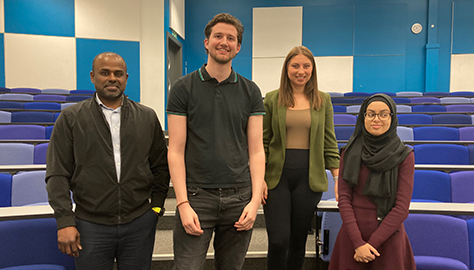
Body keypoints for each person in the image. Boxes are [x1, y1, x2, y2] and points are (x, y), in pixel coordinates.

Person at [46, 52, 170, 270]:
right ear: (93, 77)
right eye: (105, 73)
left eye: (118, 73)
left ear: (126, 78)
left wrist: (157, 208)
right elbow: (57, 173)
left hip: (139, 223)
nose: (112, 78)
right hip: (90, 224)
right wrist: (64, 221)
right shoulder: (71, 118)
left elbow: (160, 166)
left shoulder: (147, 117)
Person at [166, 13, 265, 270]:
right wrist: (183, 203)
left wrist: (254, 202)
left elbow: (256, 151)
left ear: (238, 47)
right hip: (197, 197)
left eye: (231, 38)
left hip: (239, 198)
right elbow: (175, 151)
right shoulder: (182, 88)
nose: (224, 42)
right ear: (206, 42)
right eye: (218, 36)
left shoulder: (251, 91)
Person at [262, 46, 340, 270]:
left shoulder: (322, 100)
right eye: (295, 65)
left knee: (297, 242)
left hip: (308, 180)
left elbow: (329, 141)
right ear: (286, 68)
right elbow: (264, 142)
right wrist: (259, 179)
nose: (301, 70)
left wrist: (337, 178)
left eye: (306, 66)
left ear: (312, 69)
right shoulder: (272, 98)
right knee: (278, 241)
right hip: (276, 178)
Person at [328, 94, 416, 269]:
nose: (377, 119)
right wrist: (358, 243)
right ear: (363, 117)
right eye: (371, 114)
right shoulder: (349, 152)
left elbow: (401, 208)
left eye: (384, 114)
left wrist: (372, 244)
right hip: (353, 237)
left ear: (392, 118)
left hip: (388, 238)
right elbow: (344, 198)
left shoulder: (405, 155)